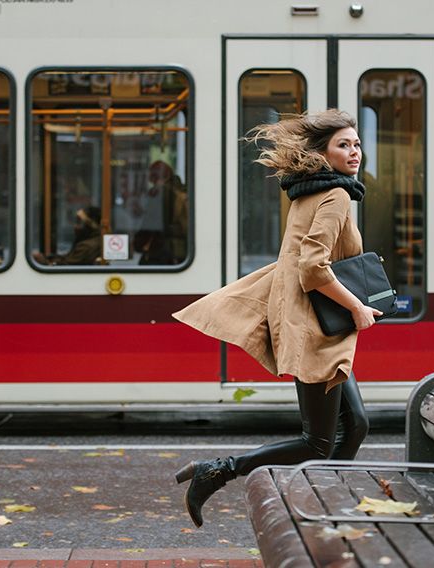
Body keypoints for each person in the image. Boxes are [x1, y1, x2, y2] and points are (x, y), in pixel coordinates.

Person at [172, 109, 379, 527]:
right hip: (316, 328)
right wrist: (357, 306)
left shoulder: (311, 189)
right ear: (323, 153)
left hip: (317, 325)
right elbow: (312, 268)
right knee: (317, 443)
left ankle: (325, 509)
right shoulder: (335, 195)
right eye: (344, 144)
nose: (355, 151)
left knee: (355, 425)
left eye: (357, 144)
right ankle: (219, 471)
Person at [134, 160, 188, 265]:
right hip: (182, 251)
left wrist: (137, 244)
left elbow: (151, 225)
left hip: (163, 252)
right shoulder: (181, 191)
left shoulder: (160, 193)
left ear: (153, 177)